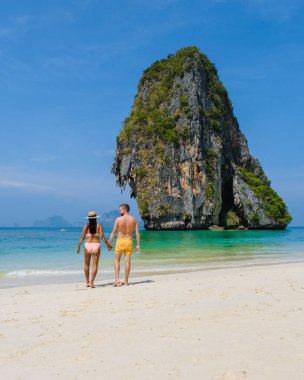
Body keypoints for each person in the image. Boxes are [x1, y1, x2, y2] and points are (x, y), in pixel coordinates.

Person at [76, 211, 112, 288]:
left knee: (86, 264)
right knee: (95, 265)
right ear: (95, 218)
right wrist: (108, 245)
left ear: (88, 218)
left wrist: (78, 246)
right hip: (96, 245)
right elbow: (102, 237)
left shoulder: (86, 226)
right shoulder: (99, 226)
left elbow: (82, 238)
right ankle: (92, 282)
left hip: (87, 245)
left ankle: (87, 282)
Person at [109, 203, 140, 286]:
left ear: (124, 210)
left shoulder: (118, 219)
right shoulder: (134, 219)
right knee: (127, 261)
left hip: (120, 241)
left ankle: (117, 279)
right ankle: (126, 281)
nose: (119, 211)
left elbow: (113, 232)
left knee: (117, 260)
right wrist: (138, 244)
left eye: (120, 210)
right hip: (129, 241)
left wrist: (109, 243)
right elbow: (137, 233)